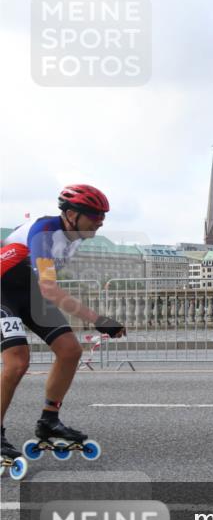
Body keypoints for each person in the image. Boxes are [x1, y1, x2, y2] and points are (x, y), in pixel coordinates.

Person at [0, 185, 126, 476]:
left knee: (70, 351)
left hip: (28, 293)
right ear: (71, 214)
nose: (100, 221)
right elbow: (50, 288)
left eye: (103, 216)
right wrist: (98, 319)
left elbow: (44, 287)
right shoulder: (46, 232)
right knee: (18, 361)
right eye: (95, 215)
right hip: (3, 291)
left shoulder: (74, 236)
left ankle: (49, 420)